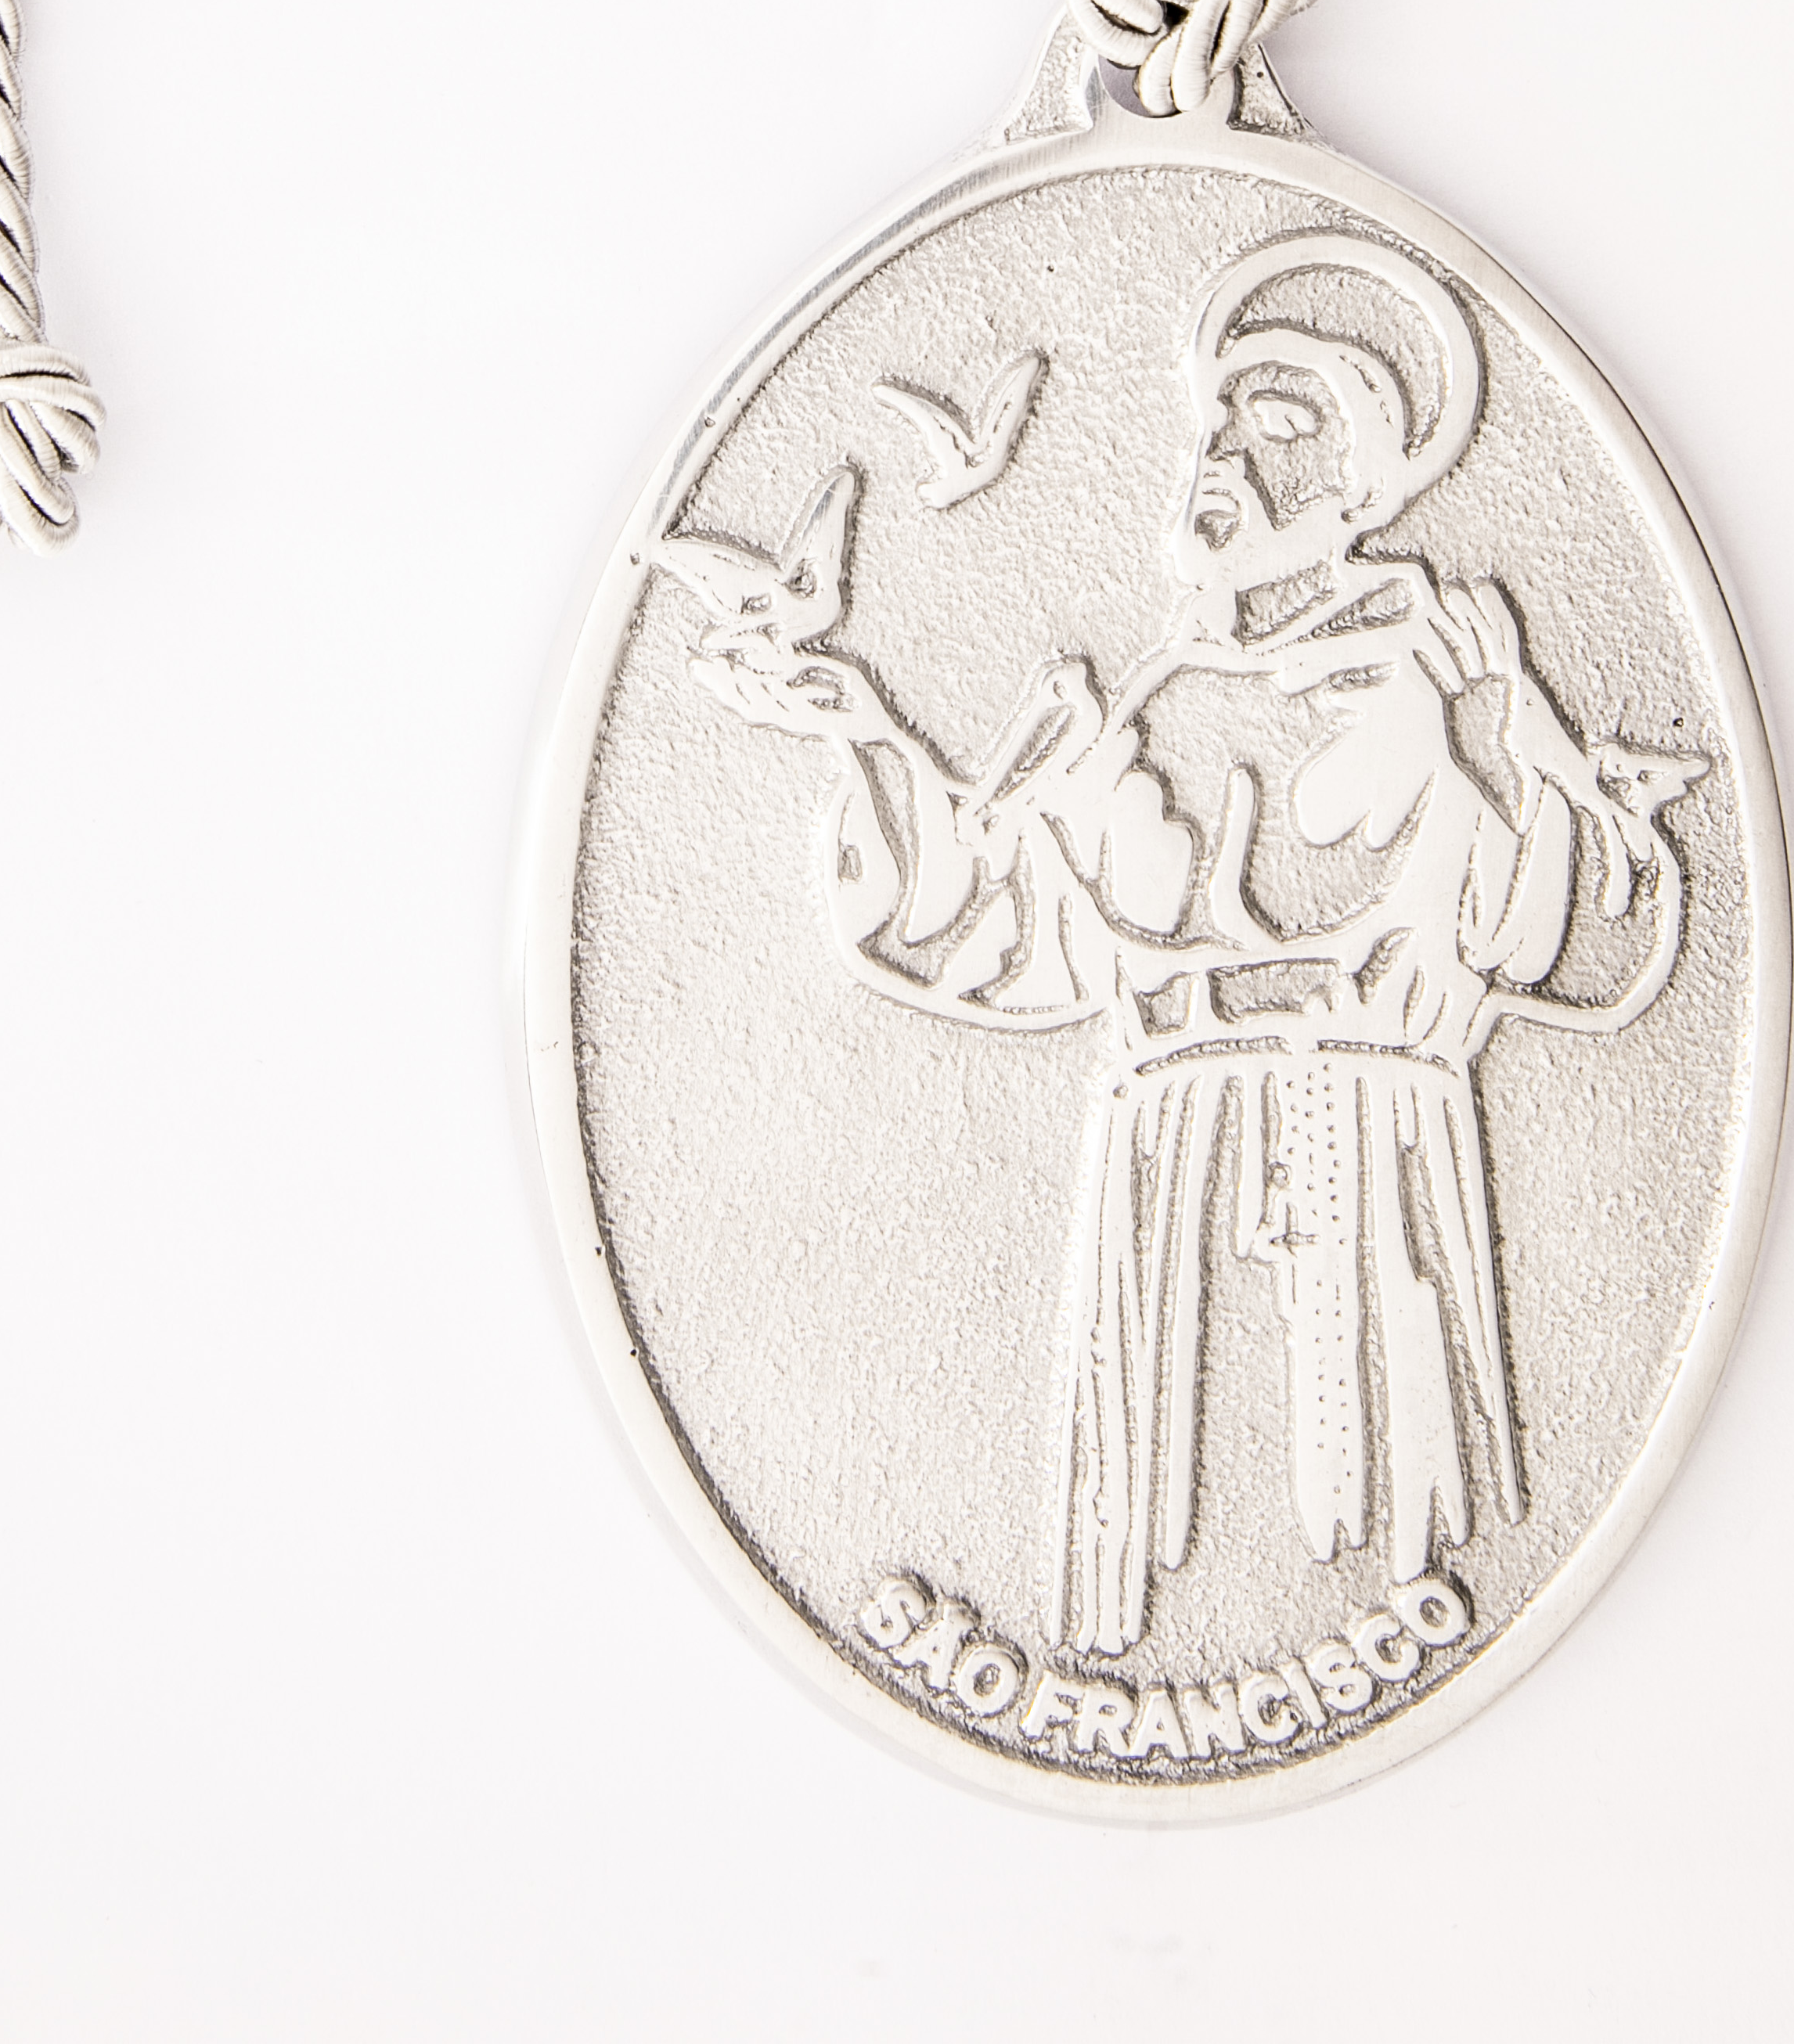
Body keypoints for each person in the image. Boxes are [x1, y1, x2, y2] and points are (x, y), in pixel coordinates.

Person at [656, 236, 1702, 1661]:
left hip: (1370, 1156)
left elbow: (1592, 955)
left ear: (1365, 484)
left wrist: (1503, 756)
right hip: (1163, 1168)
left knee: (1371, 1493)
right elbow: (1003, 933)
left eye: (1279, 424)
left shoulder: (1455, 668)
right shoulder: (1149, 703)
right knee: (1168, 1509)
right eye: (1219, 422)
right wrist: (868, 735)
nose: (1225, 456)